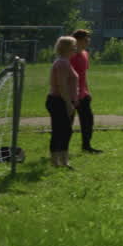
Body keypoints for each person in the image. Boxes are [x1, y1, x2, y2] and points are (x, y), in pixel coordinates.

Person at [47, 36, 79, 169]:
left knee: (65, 131)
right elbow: (62, 86)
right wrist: (68, 104)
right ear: (66, 48)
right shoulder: (62, 63)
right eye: (73, 47)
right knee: (61, 131)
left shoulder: (65, 62)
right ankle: (57, 161)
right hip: (59, 101)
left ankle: (62, 160)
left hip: (63, 101)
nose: (75, 49)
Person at [70, 29, 103, 154]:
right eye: (85, 39)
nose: (88, 41)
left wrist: (87, 91)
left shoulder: (85, 54)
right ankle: (61, 149)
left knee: (88, 121)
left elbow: (84, 75)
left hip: (83, 95)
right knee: (67, 124)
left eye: (88, 39)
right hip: (70, 94)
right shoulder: (70, 55)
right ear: (77, 40)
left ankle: (86, 146)